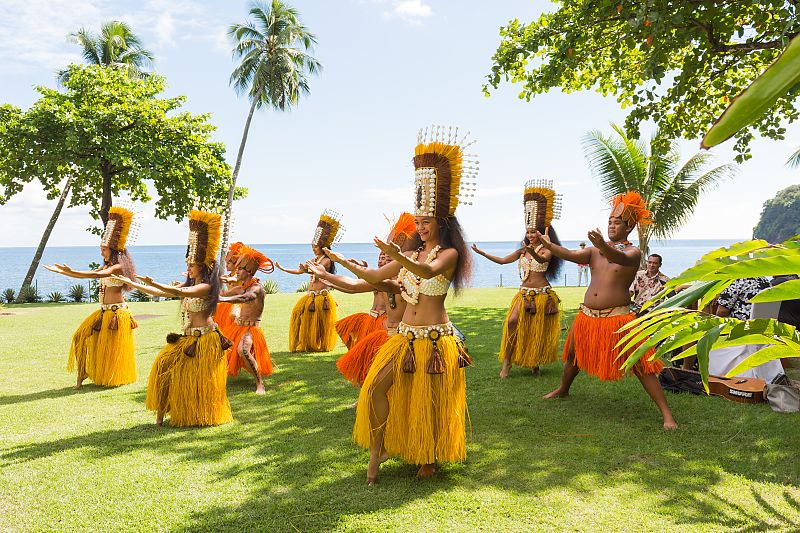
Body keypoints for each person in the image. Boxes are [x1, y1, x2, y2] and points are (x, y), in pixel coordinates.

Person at [327, 125, 477, 484]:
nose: (422, 228)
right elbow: (366, 282)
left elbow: (425, 270)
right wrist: (338, 263)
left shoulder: (450, 253)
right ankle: (378, 450)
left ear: (441, 222)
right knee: (375, 388)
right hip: (403, 338)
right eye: (419, 223)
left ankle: (428, 455)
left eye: (427, 222)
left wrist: (399, 255)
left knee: (429, 400)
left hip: (435, 339)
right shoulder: (409, 251)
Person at [540, 191, 677, 430]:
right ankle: (563, 389)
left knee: (642, 365)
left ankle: (667, 415)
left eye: (617, 223)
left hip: (619, 318)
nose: (612, 226)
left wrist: (603, 244)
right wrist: (549, 245)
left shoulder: (633, 253)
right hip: (587, 317)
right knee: (573, 354)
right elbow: (571, 255)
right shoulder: (593, 252)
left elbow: (617, 258)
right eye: (610, 222)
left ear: (629, 227)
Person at [115, 210, 232, 427]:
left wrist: (157, 284)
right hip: (187, 339)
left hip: (205, 341)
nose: (188, 268)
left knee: (194, 380)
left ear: (203, 267)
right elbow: (162, 293)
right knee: (163, 365)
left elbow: (176, 292)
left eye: (192, 265)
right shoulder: (189, 284)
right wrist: (137, 282)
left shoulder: (205, 287)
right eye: (187, 264)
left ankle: (198, 415)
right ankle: (161, 414)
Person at [312, 213, 416, 391]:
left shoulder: (403, 283)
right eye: (383, 257)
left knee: (385, 385)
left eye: (389, 258)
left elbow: (362, 281)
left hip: (402, 338)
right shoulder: (384, 282)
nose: (384, 260)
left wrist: (339, 265)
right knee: (372, 378)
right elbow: (354, 286)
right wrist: (327, 277)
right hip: (387, 334)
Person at [472, 179, 563, 378]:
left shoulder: (547, 250)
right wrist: (483, 254)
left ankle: (534, 363)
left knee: (535, 330)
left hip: (542, 295)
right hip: (523, 294)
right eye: (528, 232)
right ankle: (507, 363)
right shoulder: (523, 250)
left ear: (541, 233)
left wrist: (535, 250)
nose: (530, 235)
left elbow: (541, 258)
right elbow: (503, 260)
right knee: (513, 322)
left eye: (534, 232)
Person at [44, 205, 139, 389]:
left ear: (113, 250)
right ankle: (83, 371)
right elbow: (88, 274)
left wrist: (72, 271)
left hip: (116, 314)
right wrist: (66, 272)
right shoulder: (104, 267)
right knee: (79, 337)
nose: (101, 252)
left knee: (109, 350)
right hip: (103, 312)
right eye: (101, 249)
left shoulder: (118, 267)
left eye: (104, 249)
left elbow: (96, 276)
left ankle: (103, 375)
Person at [277, 211, 343, 352]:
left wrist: (309, 268)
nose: (313, 249)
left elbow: (319, 270)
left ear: (323, 247)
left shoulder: (327, 260)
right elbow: (300, 271)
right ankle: (305, 343)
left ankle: (320, 345)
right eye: (312, 246)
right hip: (310, 296)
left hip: (322, 297)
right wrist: (283, 268)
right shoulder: (313, 261)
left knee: (320, 323)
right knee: (301, 317)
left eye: (316, 246)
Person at [218, 244, 275, 394]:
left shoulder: (256, 288)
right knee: (218, 348)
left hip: (250, 329)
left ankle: (260, 383)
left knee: (243, 350)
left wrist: (222, 300)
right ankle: (215, 379)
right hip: (236, 327)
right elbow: (224, 295)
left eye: (240, 269)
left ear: (248, 271)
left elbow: (245, 298)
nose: (236, 271)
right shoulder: (242, 287)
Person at [214, 241, 244, 332]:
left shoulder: (239, 275)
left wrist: (226, 280)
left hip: (239, 304)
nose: (226, 265)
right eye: (226, 263)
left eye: (228, 263)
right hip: (228, 303)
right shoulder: (229, 275)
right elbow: (221, 278)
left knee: (234, 316)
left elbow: (234, 279)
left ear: (236, 264)